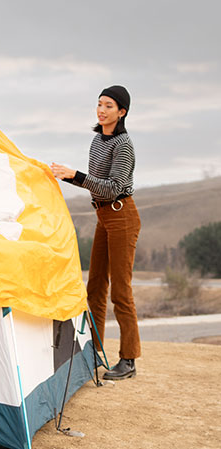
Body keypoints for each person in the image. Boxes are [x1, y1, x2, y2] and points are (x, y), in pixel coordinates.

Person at [50, 85, 140, 380]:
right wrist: (66, 177)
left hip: (122, 216)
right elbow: (95, 183)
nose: (102, 110)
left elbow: (113, 186)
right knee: (95, 287)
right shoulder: (98, 140)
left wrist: (74, 175)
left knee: (121, 291)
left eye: (109, 106)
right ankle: (94, 352)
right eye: (99, 104)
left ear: (122, 112)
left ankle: (128, 360)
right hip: (103, 216)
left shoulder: (123, 145)